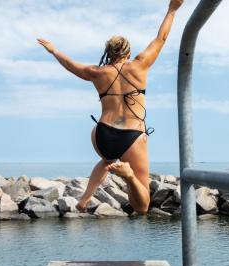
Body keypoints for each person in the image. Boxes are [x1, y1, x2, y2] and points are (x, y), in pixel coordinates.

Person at [37, 0, 184, 215]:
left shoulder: (97, 72)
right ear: (128, 51)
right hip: (132, 136)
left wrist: (54, 50)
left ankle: (85, 198)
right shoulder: (140, 64)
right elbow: (161, 38)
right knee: (142, 207)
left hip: (102, 134)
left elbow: (70, 65)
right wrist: (172, 10)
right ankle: (128, 176)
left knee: (106, 160)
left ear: (108, 52)